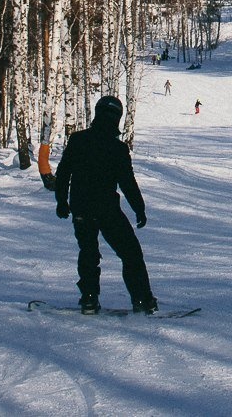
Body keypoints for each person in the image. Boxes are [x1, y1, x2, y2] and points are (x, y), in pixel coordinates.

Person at [54, 95, 157, 315]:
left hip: (83, 208)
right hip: (107, 209)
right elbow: (127, 183)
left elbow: (63, 173)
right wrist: (139, 209)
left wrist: (62, 201)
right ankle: (143, 300)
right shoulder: (117, 148)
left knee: (89, 252)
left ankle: (90, 299)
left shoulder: (78, 140)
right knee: (130, 253)